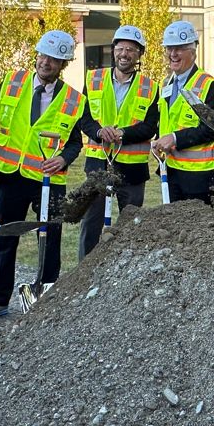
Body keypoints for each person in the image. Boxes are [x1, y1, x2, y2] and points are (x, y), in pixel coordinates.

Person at [0, 30, 85, 322]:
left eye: (54, 59)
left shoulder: (73, 99)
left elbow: (76, 141)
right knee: (6, 237)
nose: (46, 62)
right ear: (36, 55)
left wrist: (64, 158)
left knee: (49, 236)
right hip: (11, 176)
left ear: (63, 65)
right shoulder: (13, 82)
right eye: (43, 56)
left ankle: (46, 296)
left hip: (49, 179)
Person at [78, 24, 159, 257]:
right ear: (113, 50)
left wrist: (122, 132)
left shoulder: (151, 87)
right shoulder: (93, 79)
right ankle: (85, 273)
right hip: (98, 166)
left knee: (131, 227)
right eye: (121, 48)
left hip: (132, 169)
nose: (125, 54)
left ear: (139, 55)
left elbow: (150, 126)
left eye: (131, 50)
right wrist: (99, 132)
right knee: (91, 224)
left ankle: (126, 271)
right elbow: (84, 118)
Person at [151, 21, 214, 205]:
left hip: (198, 176)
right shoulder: (166, 84)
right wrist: (159, 141)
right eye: (169, 48)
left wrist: (174, 138)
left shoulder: (208, 84)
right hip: (171, 171)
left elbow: (212, 129)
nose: (173, 54)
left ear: (193, 51)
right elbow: (167, 120)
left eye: (179, 49)